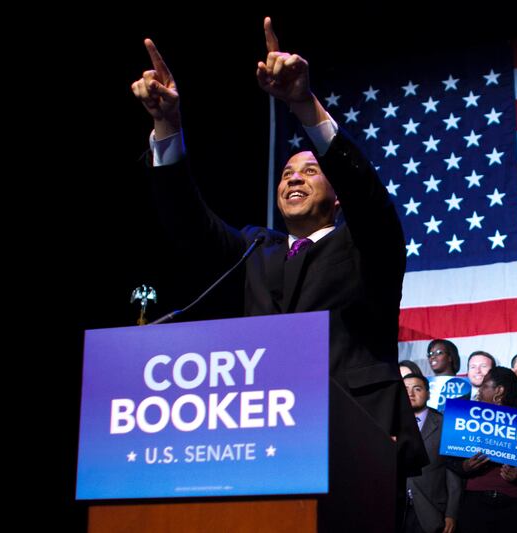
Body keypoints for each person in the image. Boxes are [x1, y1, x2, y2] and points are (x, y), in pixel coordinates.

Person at [131, 16, 427, 493]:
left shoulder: (367, 243)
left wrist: (304, 107)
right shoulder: (255, 248)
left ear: (336, 195)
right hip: (265, 443)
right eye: (287, 173)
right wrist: (167, 125)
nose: (293, 178)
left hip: (358, 439)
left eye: (309, 171)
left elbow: (368, 198)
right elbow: (188, 223)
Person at [451, 367, 517, 532]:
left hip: (516, 505)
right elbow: (449, 459)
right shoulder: (467, 416)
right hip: (474, 504)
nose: (480, 390)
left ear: (499, 391)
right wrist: (464, 466)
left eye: (484, 386)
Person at [403, 374, 461, 533]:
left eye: (417, 389)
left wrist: (451, 513)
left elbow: (453, 474)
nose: (410, 394)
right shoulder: (390, 423)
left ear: (428, 394)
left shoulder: (445, 425)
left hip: (431, 511)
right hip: (395, 510)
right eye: (405, 389)